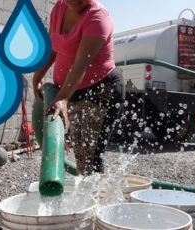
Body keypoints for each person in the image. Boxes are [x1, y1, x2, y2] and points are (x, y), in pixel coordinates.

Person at [33, 0, 124, 175]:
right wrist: (37, 76)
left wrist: (63, 98)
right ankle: (89, 196)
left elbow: (82, 63)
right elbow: (53, 47)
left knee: (92, 155)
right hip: (73, 89)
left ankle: (97, 199)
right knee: (82, 154)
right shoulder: (59, 8)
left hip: (101, 90)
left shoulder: (98, 17)